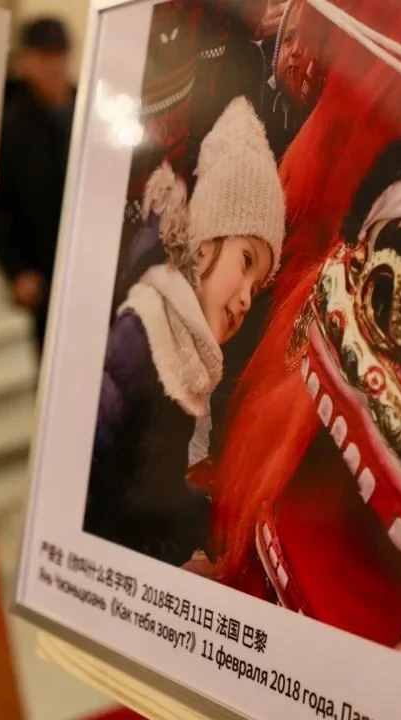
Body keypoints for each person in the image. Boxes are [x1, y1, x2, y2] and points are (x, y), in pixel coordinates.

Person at [84, 97, 285, 566]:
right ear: (205, 244)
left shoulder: (180, 347)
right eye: (246, 261)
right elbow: (103, 501)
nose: (246, 298)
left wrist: (206, 519)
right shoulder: (144, 340)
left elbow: (153, 487)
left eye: (258, 287)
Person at [0, 17, 75, 357]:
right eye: (44, 56)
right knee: (55, 357)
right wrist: (16, 270)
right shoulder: (10, 127)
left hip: (97, 261)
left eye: (59, 54)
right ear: (26, 60)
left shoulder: (92, 105)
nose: (53, 66)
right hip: (45, 270)